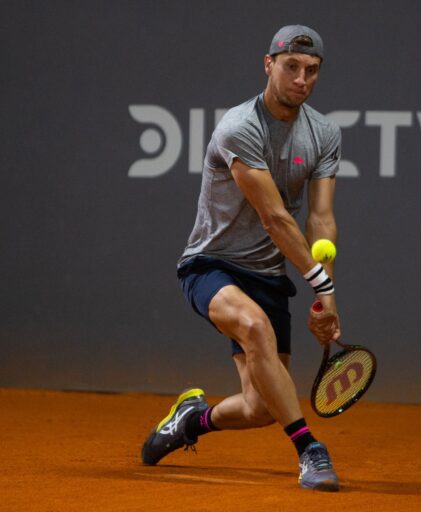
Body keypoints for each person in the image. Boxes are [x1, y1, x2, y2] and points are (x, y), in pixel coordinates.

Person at [140, 24, 343, 492]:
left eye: (311, 70)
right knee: (254, 327)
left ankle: (192, 421)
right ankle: (310, 450)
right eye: (291, 66)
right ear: (268, 64)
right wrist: (321, 285)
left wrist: (327, 298)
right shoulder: (239, 127)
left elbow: (322, 221)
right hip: (211, 265)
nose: (301, 78)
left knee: (261, 408)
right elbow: (274, 216)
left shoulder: (325, 134)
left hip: (269, 275)